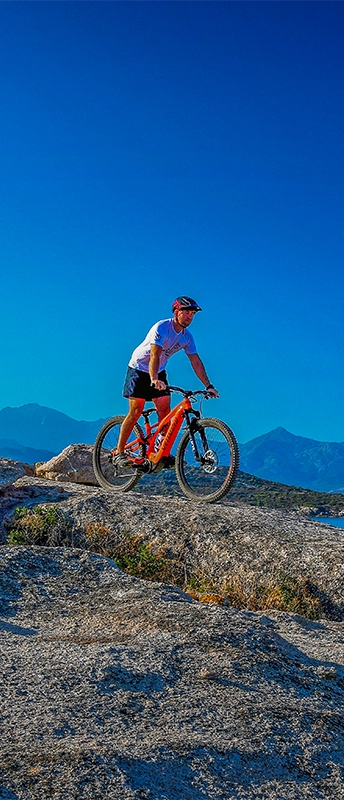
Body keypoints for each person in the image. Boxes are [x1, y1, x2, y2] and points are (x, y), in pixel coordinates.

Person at [115, 296, 219, 468]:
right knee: (136, 410)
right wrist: (154, 378)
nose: (189, 317)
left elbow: (196, 362)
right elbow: (154, 355)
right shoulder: (162, 327)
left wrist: (208, 386)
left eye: (192, 314)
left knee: (165, 411)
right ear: (176, 313)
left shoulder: (187, 337)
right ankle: (119, 452)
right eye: (186, 312)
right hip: (139, 368)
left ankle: (160, 453)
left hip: (159, 370)